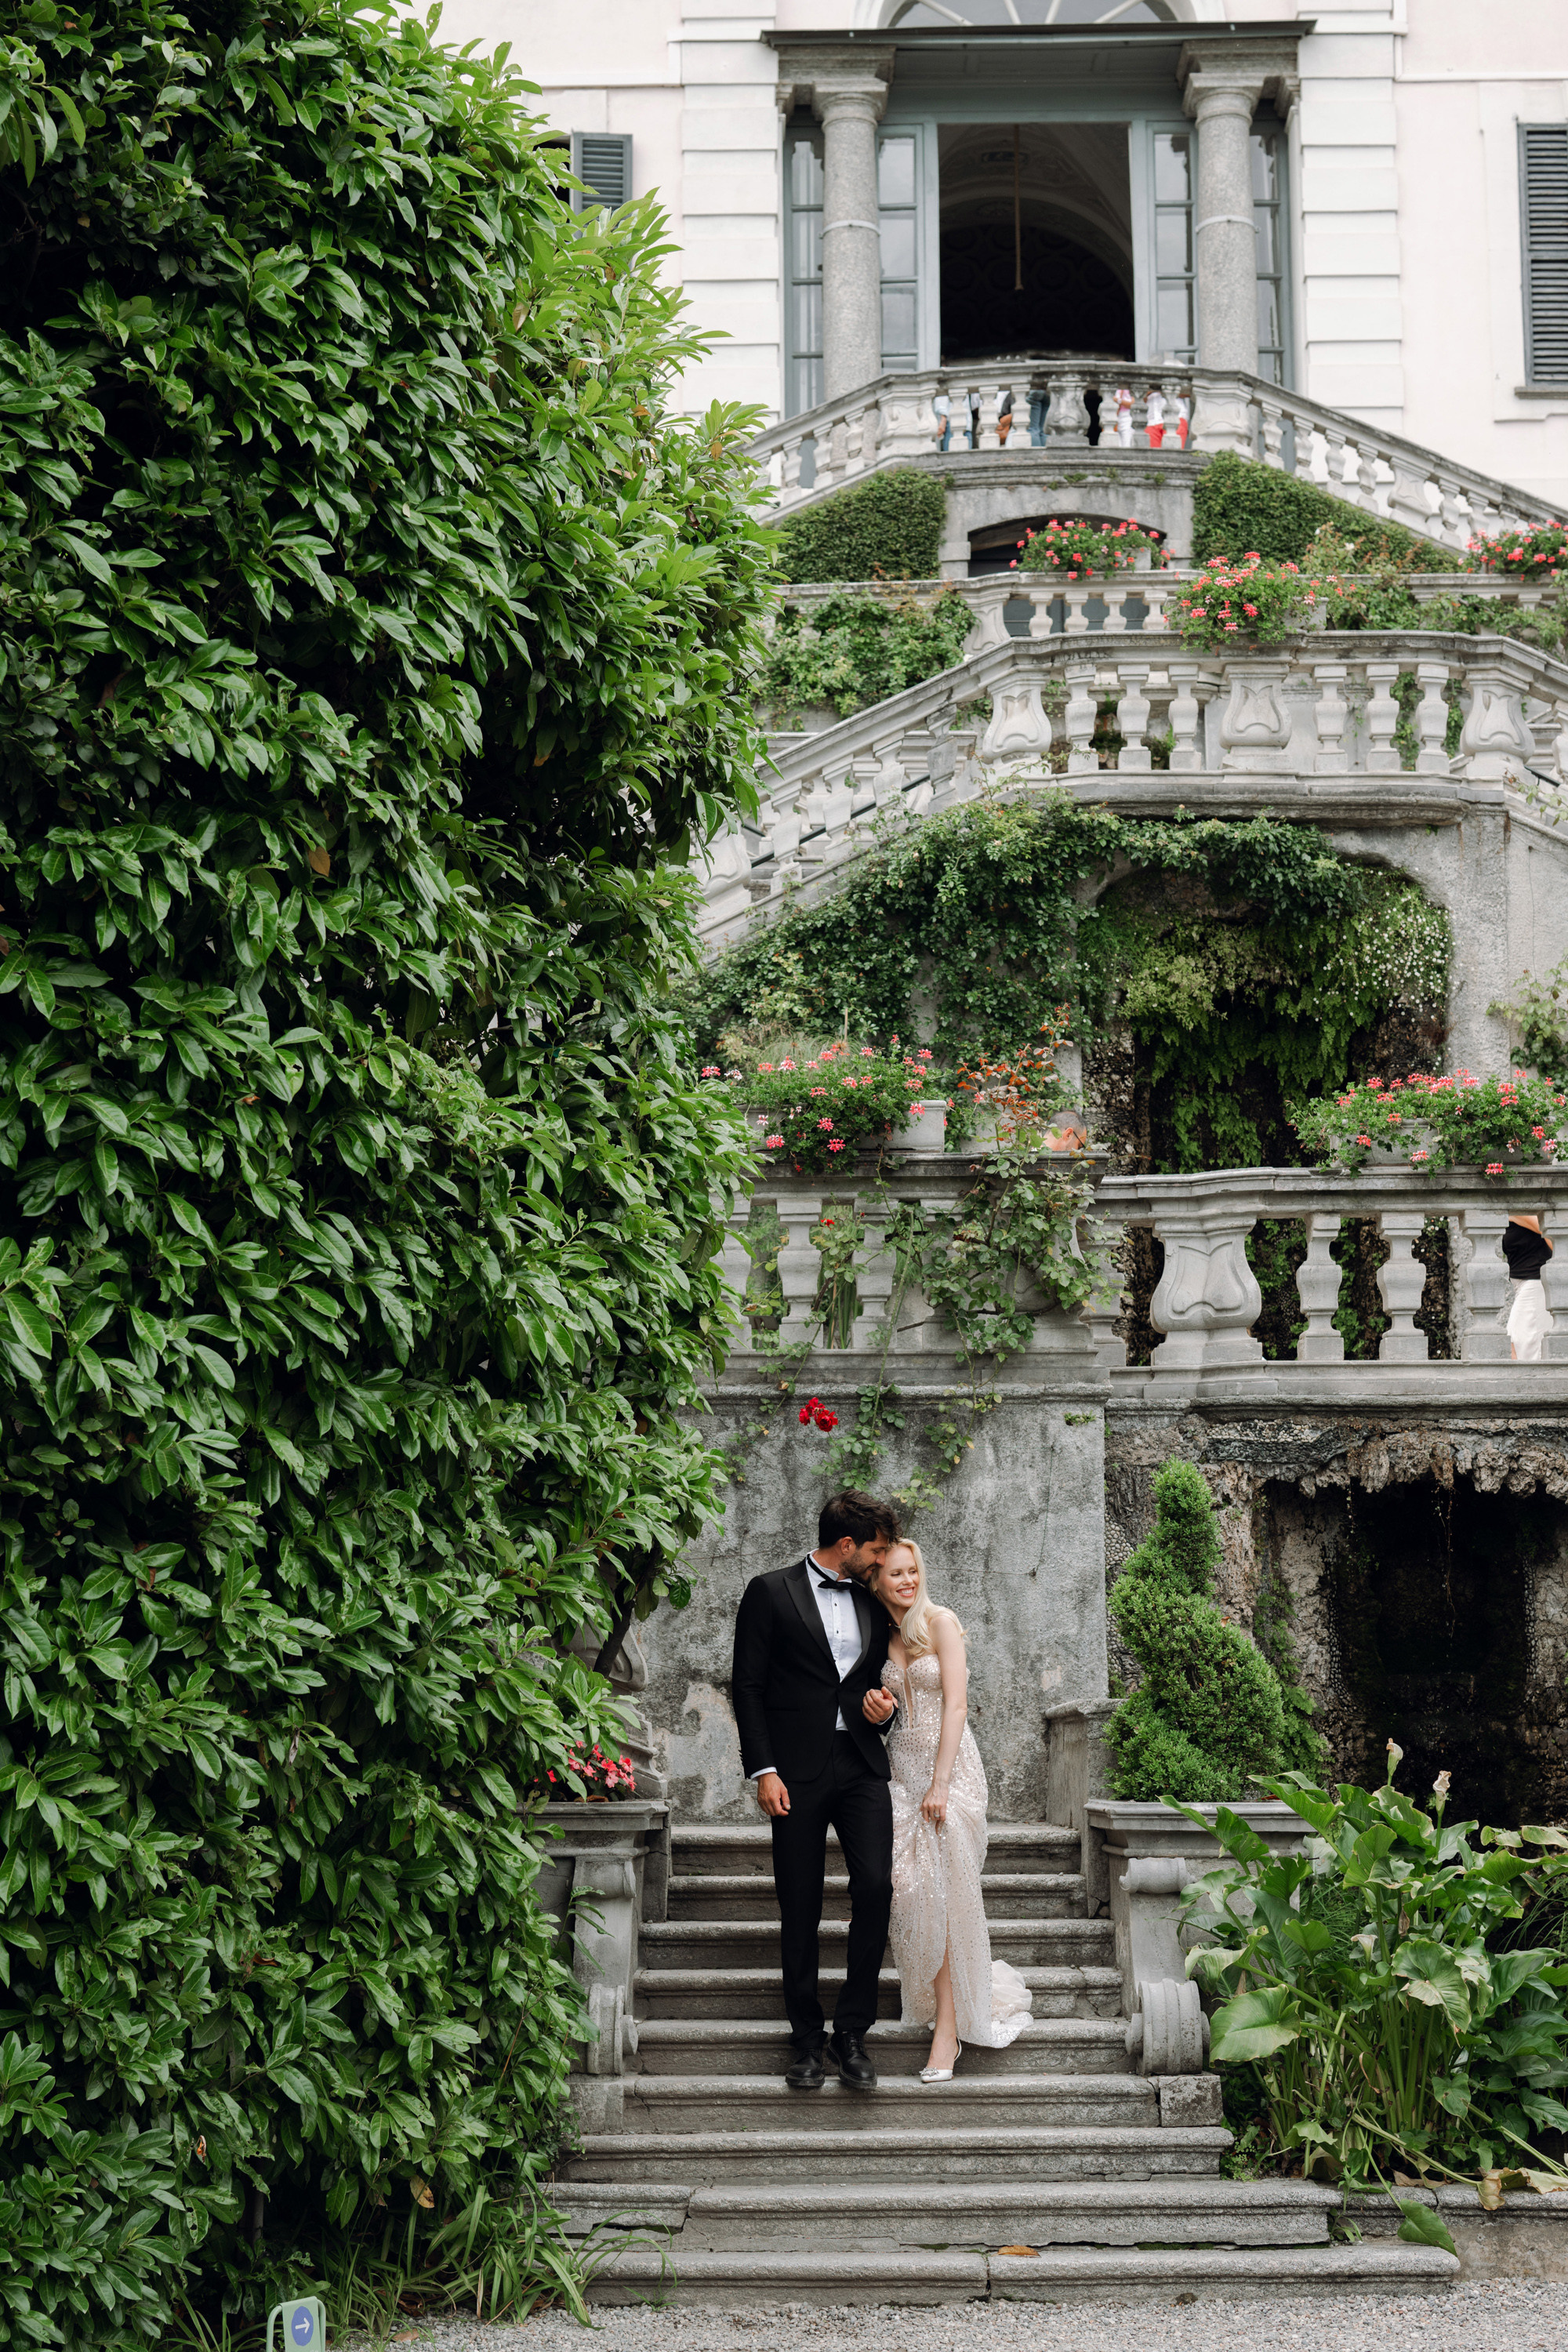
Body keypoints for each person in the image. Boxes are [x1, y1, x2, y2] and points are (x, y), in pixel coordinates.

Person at [731, 1489, 902, 2091]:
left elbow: (882, 1680)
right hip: (794, 1770)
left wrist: (886, 1709)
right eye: (876, 1550)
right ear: (846, 1545)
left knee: (877, 1887)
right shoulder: (769, 1591)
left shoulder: (871, 1600)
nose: (882, 1561)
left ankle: (852, 2032)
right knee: (799, 1902)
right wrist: (763, 1770)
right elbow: (746, 1686)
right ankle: (805, 2040)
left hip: (860, 1762)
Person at [863, 1541, 1033, 2080]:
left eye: (914, 1571)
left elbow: (956, 1703)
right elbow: (876, 1712)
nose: (908, 1581)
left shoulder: (939, 1621)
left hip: (950, 1769)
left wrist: (939, 1784)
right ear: (876, 1580)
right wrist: (876, 1711)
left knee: (945, 1890)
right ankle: (944, 1995)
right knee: (909, 1889)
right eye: (896, 1573)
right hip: (900, 1770)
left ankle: (948, 2031)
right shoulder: (878, 1637)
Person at [1504, 1213, 1555, 1360]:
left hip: (1535, 1284)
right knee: (1517, 1345)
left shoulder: (1519, 1210)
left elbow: (1552, 1234)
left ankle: (1534, 1383)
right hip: (1524, 1285)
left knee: (1524, 1349)